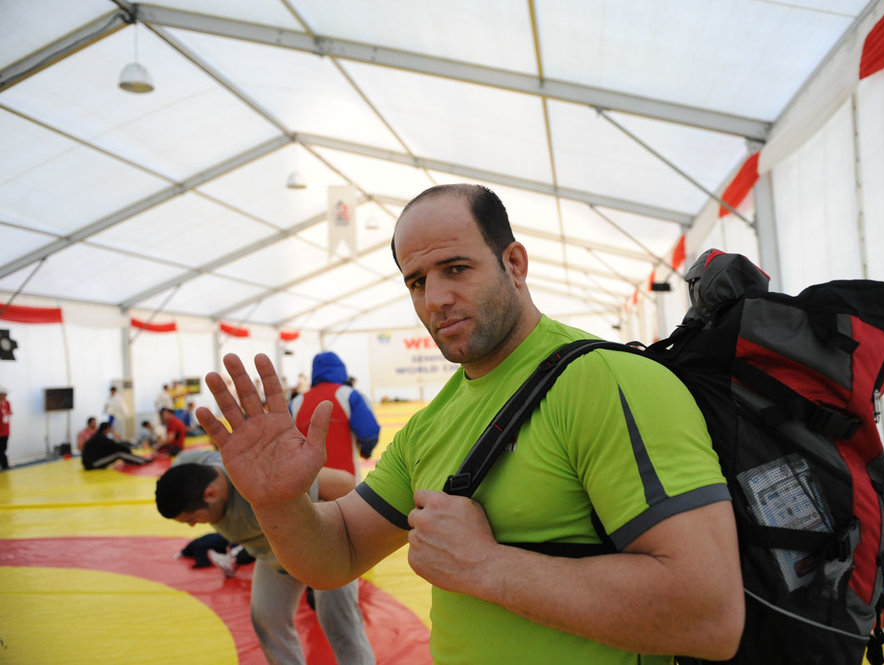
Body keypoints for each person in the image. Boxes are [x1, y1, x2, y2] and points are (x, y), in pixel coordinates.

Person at [195, 184, 744, 664]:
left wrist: (487, 566)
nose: (436, 299)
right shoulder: (430, 424)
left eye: (456, 268)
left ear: (515, 263)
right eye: (416, 281)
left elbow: (709, 614)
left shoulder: (607, 380)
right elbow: (336, 554)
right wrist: (277, 502)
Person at [155, 449, 375, 665]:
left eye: (192, 518)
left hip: (323, 547)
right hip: (273, 554)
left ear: (210, 494)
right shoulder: (190, 463)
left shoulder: (262, 481)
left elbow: (344, 484)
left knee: (338, 620)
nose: (193, 525)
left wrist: (345, 543)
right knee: (267, 619)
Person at [290, 352, 380, 481]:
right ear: (341, 369)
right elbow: (369, 433)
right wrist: (366, 451)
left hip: (307, 484)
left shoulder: (296, 403)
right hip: (347, 482)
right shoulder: (350, 395)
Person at [81, 421, 150, 470]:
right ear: (107, 429)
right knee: (119, 454)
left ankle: (137, 459)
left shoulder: (98, 436)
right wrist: (128, 450)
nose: (110, 431)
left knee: (118, 451)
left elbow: (112, 445)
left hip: (90, 463)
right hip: (92, 464)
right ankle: (142, 461)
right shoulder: (100, 438)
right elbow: (115, 445)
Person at [0, 386, 10, 470]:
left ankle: (4, 466)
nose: (5, 396)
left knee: (3, 449)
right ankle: (5, 465)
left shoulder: (7, 402)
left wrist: (6, 413)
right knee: (1, 450)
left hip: (6, 430)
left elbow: (10, 412)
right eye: (3, 394)